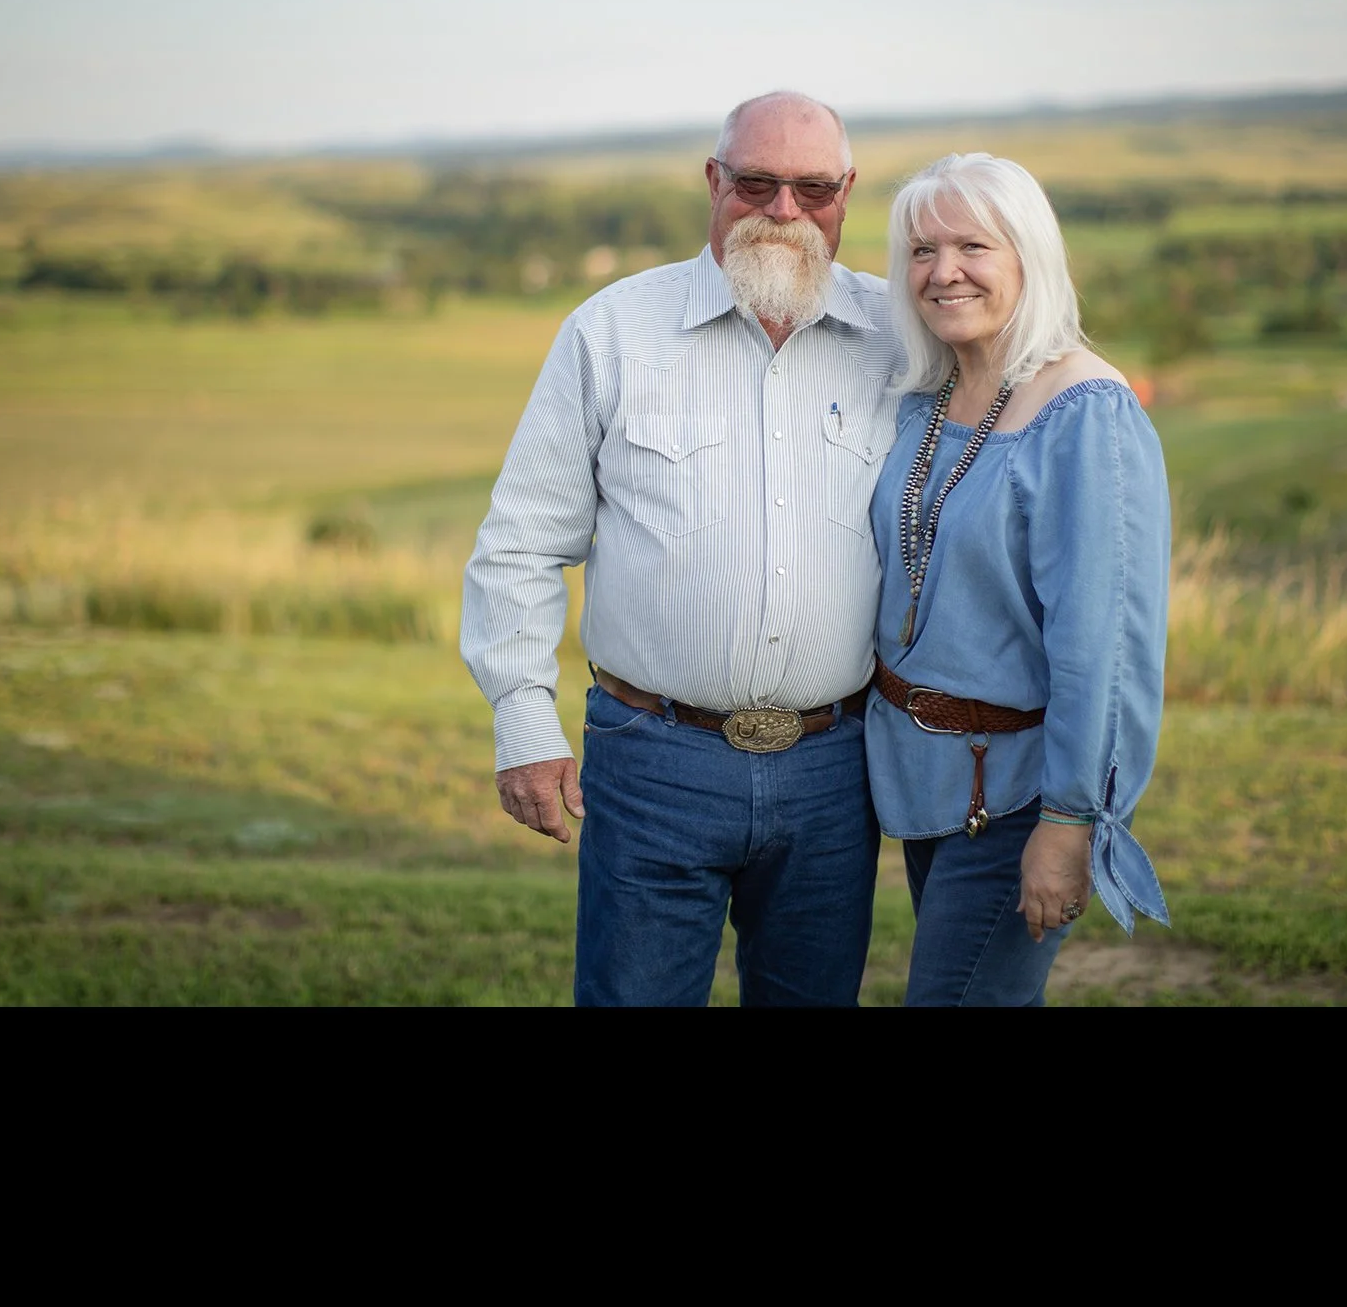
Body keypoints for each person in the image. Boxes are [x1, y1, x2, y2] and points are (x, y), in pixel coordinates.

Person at [460, 91, 902, 1006]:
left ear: (847, 193)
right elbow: (522, 544)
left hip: (836, 767)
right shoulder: (612, 330)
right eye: (757, 182)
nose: (785, 210)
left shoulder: (904, 339)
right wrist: (522, 717)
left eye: (813, 187)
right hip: (652, 757)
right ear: (713, 180)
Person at [866, 152, 1172, 1006]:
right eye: (922, 251)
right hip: (927, 788)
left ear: (1029, 257)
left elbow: (1102, 645)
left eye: (973, 246)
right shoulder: (927, 398)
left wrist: (1070, 821)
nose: (943, 271)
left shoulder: (1084, 413)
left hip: (1015, 804)